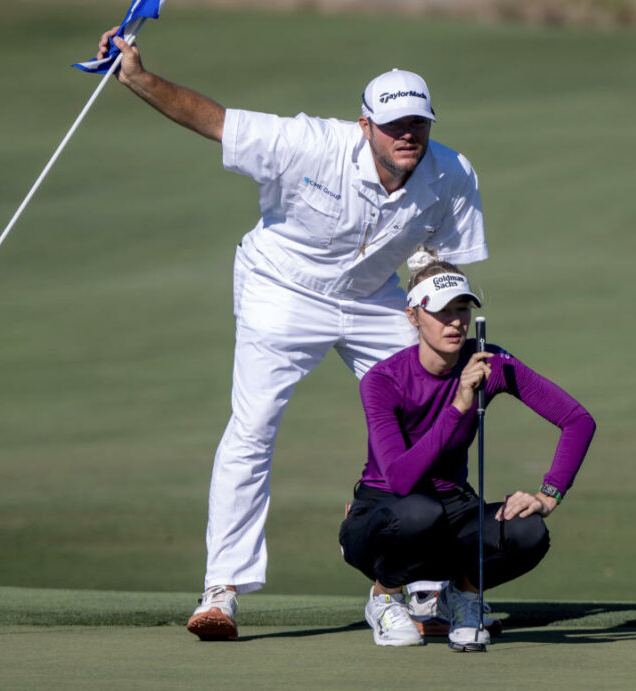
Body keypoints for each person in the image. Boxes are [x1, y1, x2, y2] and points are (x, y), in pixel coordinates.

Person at [92, 28, 488, 640]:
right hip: (281, 286)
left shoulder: (453, 174)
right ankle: (221, 590)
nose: (408, 134)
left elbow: (441, 262)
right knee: (253, 428)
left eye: (419, 122)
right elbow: (218, 122)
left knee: (429, 414)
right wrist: (140, 78)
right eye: (394, 125)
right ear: (365, 125)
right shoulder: (309, 144)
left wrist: (443, 333)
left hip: (375, 297)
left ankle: (419, 582)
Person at [339, 259, 596, 649]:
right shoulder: (383, 380)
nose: (455, 322)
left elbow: (578, 420)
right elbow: (401, 479)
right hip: (383, 517)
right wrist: (459, 404)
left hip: (451, 511)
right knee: (420, 512)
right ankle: (385, 597)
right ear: (413, 316)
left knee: (528, 530)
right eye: (441, 311)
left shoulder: (487, 362)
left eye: (462, 309)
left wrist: (548, 496)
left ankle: (461, 596)